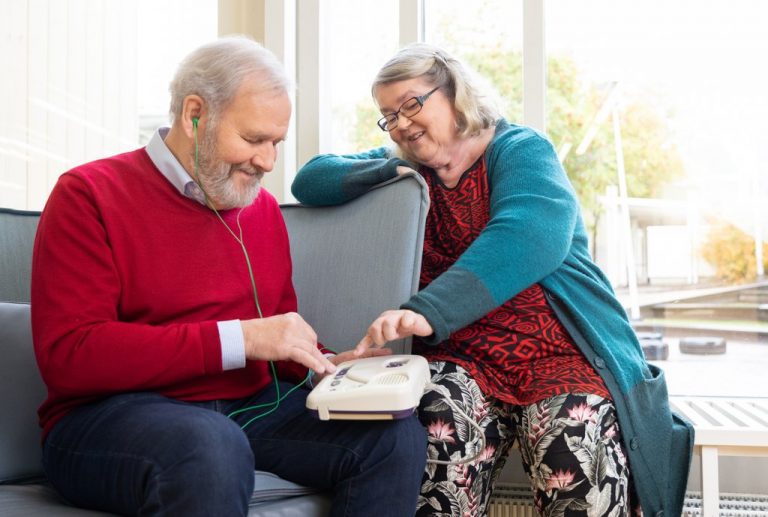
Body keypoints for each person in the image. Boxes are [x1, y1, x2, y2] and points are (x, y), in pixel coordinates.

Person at [31, 36, 426, 517]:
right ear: (195, 114)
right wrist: (239, 339)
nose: (267, 162)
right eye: (254, 139)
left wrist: (325, 364)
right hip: (111, 417)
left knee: (391, 436)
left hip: (246, 409)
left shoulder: (259, 209)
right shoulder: (87, 195)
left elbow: (272, 333)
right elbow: (71, 356)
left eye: (276, 142)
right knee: (209, 445)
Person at [292, 43, 693, 517]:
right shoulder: (412, 168)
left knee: (572, 436)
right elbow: (310, 179)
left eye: (412, 104)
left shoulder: (521, 149)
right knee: (434, 424)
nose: (400, 123)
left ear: (454, 93)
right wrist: (396, 165)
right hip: (460, 355)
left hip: (558, 349)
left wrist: (425, 311)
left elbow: (529, 237)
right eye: (388, 115)